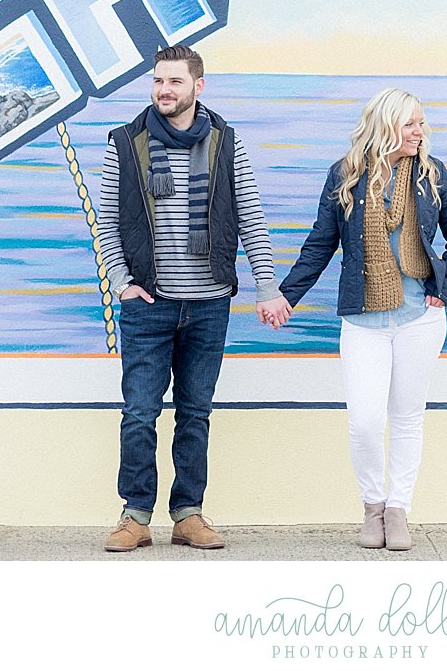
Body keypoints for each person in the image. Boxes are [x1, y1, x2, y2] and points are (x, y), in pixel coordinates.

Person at [262, 89, 447, 552]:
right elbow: (321, 244)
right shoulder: (345, 176)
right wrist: (286, 296)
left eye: (422, 123)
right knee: (363, 420)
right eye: (411, 123)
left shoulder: (431, 176)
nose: (420, 131)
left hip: (421, 318)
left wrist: (445, 289)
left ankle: (398, 509)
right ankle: (372, 505)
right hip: (364, 321)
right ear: (386, 125)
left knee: (406, 417)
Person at [95, 45, 278, 553]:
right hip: (148, 304)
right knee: (139, 413)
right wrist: (121, 282)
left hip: (209, 303)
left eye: (175, 81)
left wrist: (266, 287)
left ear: (199, 86)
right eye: (158, 81)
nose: (164, 91)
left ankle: (188, 513)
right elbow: (107, 222)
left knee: (195, 413)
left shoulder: (227, 143)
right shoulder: (124, 142)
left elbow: (250, 218)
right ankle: (135, 516)